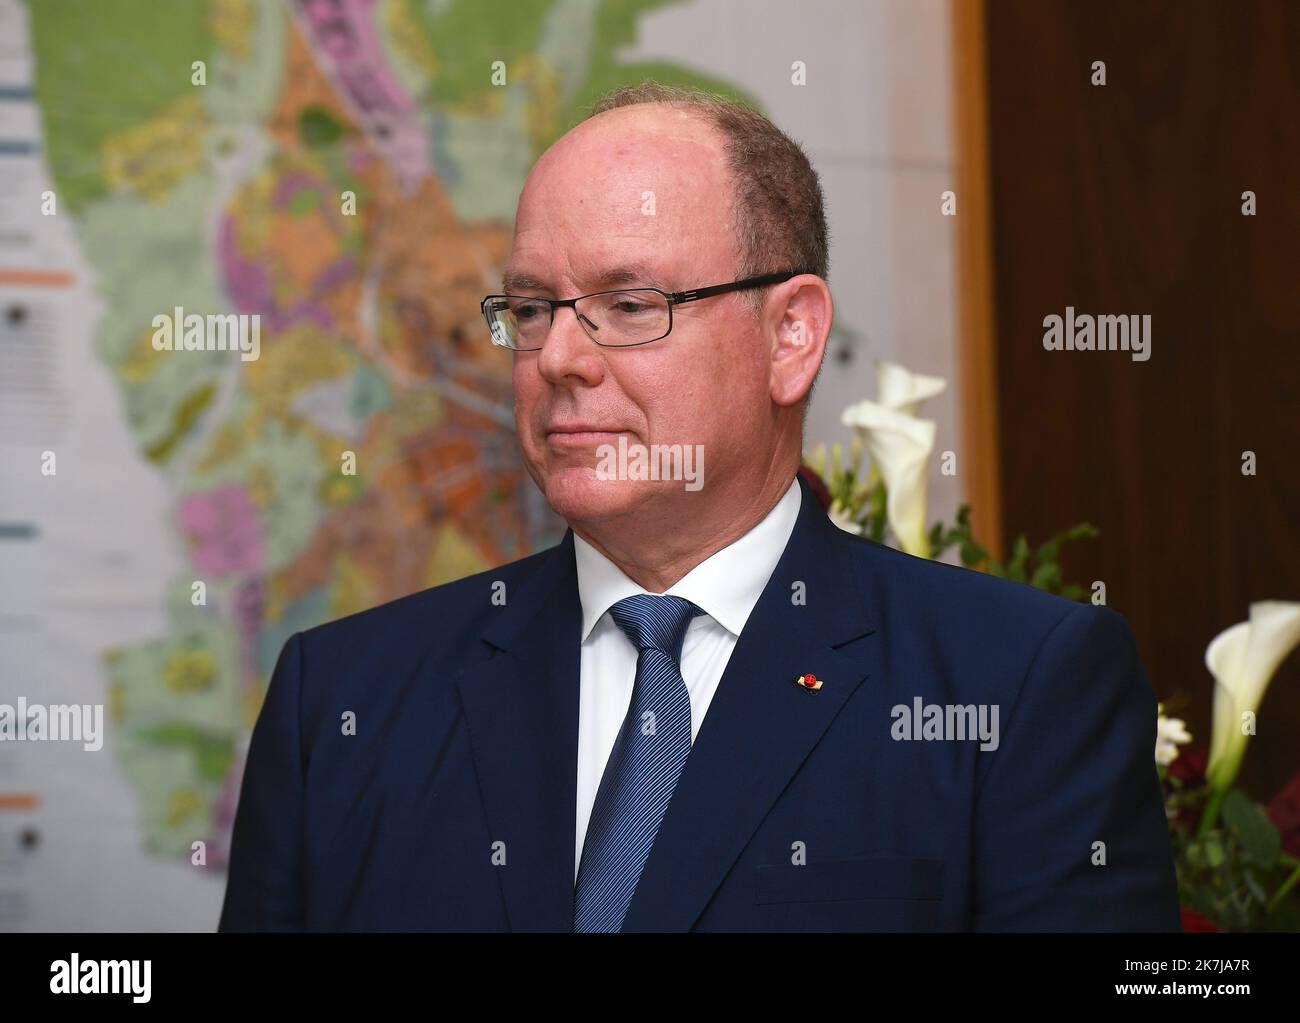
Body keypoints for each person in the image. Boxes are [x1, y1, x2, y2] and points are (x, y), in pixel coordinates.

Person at [219, 81, 1180, 932]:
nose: (558, 357)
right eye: (532, 308)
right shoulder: (341, 701)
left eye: (630, 305)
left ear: (791, 337)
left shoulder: (1013, 687)